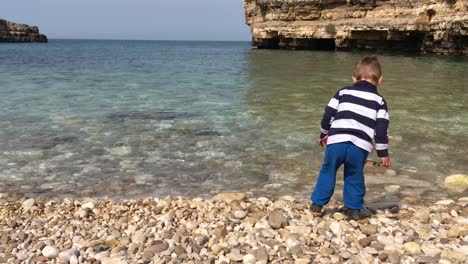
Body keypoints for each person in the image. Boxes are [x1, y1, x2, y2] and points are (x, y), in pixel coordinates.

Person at [310, 55, 391, 220]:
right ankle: (354, 210)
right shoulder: (379, 101)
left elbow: (328, 115)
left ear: (354, 78)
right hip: (360, 146)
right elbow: (381, 129)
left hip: (336, 141)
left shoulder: (343, 92)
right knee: (354, 174)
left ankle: (317, 205)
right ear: (380, 80)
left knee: (328, 170)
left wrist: (323, 134)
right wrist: (383, 154)